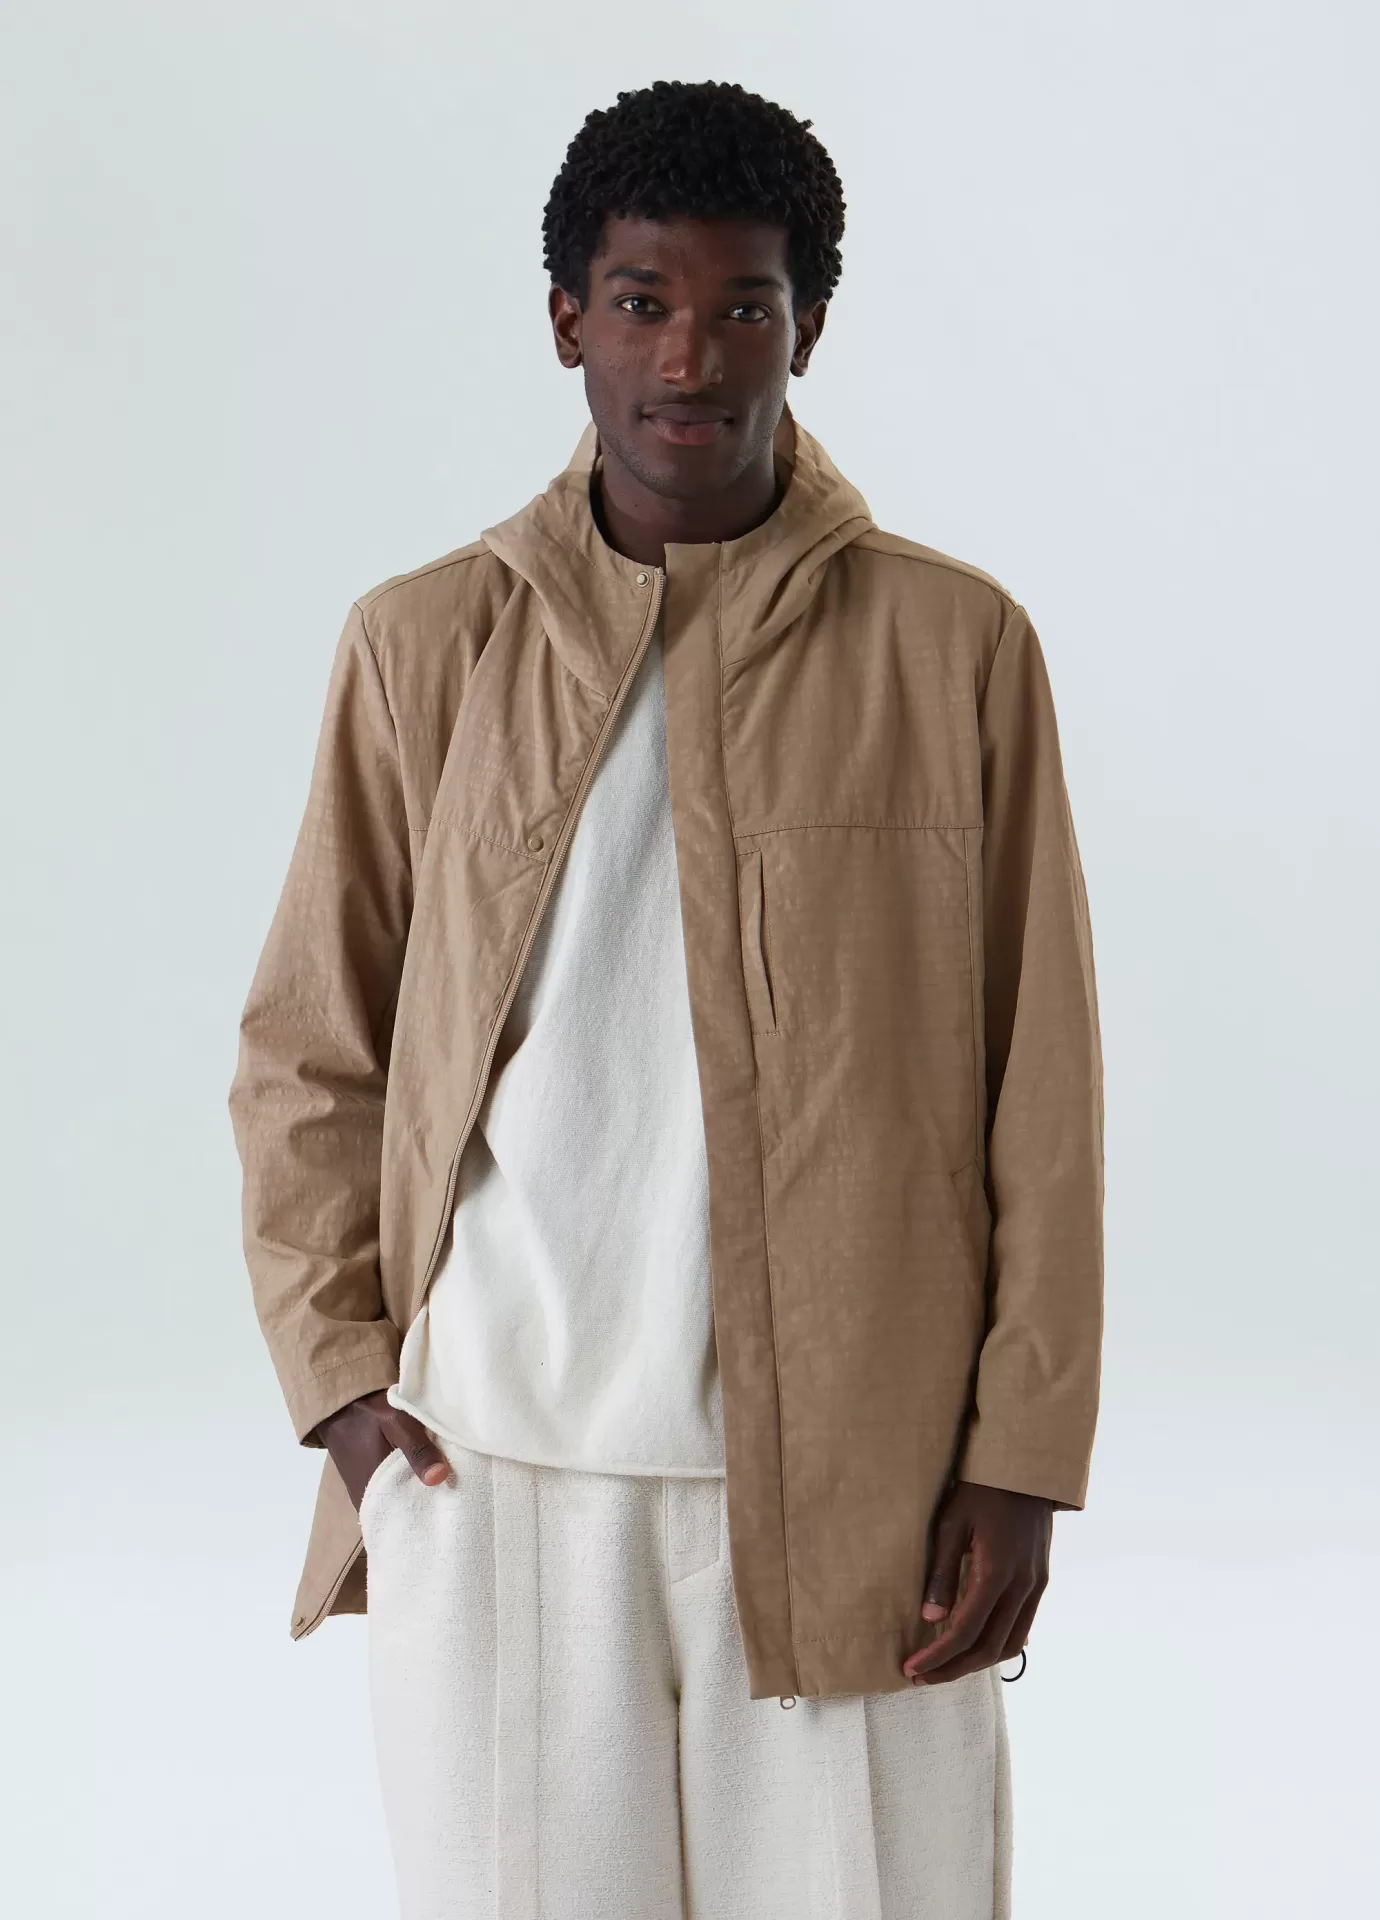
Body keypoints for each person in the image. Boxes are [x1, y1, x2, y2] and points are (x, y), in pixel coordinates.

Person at [229, 77, 1104, 1920]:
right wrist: (344, 1395)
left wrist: (1021, 1461)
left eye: (742, 305)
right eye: (641, 301)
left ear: (810, 324)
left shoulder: (953, 648)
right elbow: (312, 1051)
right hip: (491, 1478)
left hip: (860, 1486)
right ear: (568, 319)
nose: (689, 356)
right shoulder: (425, 643)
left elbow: (1045, 1090)